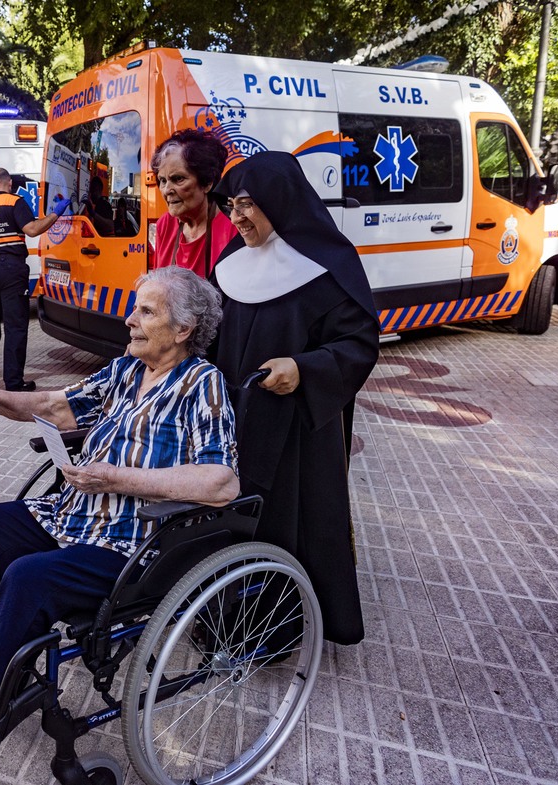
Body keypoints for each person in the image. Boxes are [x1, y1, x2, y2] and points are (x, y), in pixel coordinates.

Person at [0, 266, 239, 785]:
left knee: (28, 577)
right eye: (134, 307)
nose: (129, 318)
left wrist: (120, 477)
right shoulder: (125, 371)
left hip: (133, 543)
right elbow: (56, 405)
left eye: (146, 311)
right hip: (75, 515)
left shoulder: (203, 385)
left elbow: (222, 481)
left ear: (183, 330)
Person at [209, 151, 379, 646]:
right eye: (231, 206)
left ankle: (278, 631)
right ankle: (225, 616)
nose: (236, 217)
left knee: (291, 520)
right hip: (235, 418)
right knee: (231, 516)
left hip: (297, 433)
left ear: (279, 202)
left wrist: (303, 368)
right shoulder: (230, 263)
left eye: (246, 205)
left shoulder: (328, 266)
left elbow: (358, 344)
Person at [0, 167, 68, 391]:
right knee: (15, 325)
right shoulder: (16, 202)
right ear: (10, 183)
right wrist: (55, 214)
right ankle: (13, 382)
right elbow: (32, 230)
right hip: (11, 269)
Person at [151, 128, 236, 278]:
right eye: (163, 181)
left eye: (178, 179)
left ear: (207, 183)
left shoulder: (233, 226)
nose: (166, 190)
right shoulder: (165, 224)